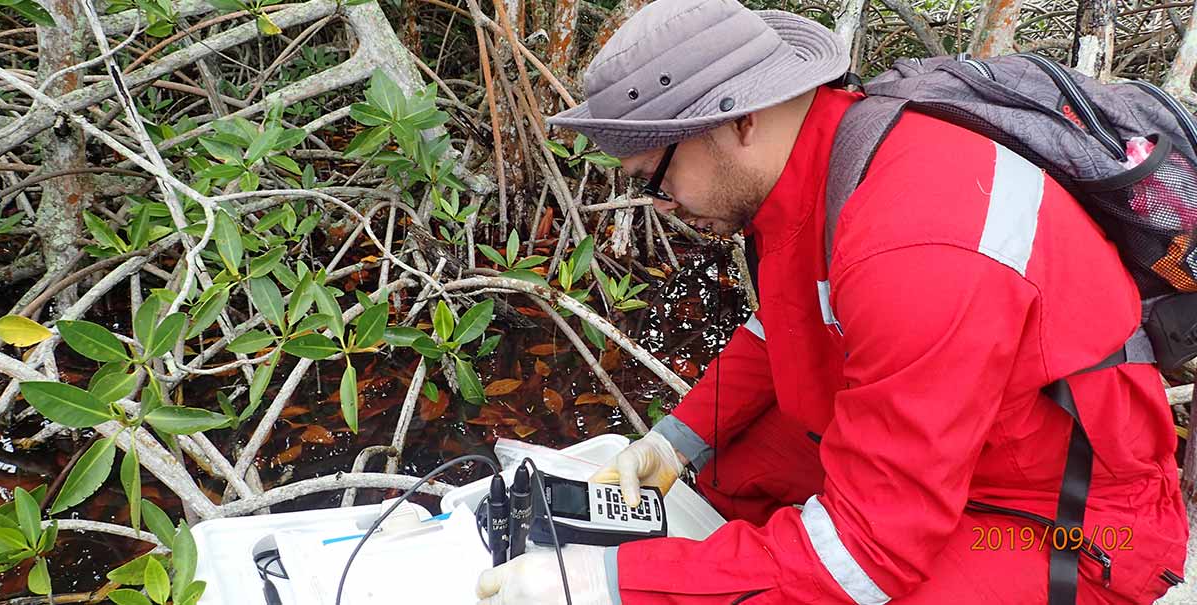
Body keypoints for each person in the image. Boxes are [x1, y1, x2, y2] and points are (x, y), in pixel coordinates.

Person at [474, 0, 1189, 603]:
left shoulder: (912, 240)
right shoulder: (829, 155)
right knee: (729, 475)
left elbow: (868, 552)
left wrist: (605, 582)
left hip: (1072, 522)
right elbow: (779, 320)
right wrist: (675, 440)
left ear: (739, 122)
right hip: (968, 437)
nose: (663, 205)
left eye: (659, 179)